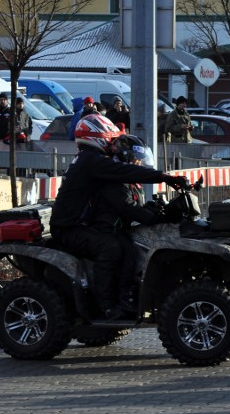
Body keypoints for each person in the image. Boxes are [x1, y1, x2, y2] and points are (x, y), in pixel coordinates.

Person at [50, 114, 187, 320]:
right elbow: (127, 172)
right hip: (68, 228)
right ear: (98, 136)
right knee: (110, 248)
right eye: (110, 138)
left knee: (126, 245)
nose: (113, 143)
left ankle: (126, 297)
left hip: (79, 224)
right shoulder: (92, 161)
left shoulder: (90, 160)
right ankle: (105, 305)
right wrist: (164, 177)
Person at [87, 134, 164, 312]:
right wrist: (154, 218)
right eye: (137, 160)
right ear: (125, 157)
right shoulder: (114, 181)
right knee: (128, 253)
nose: (139, 164)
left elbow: (138, 205)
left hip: (121, 228)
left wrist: (158, 209)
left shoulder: (129, 181)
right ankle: (123, 299)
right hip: (106, 230)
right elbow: (128, 208)